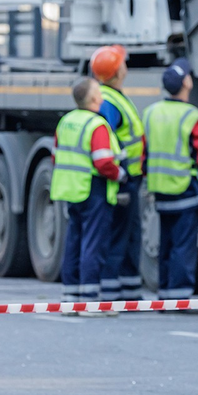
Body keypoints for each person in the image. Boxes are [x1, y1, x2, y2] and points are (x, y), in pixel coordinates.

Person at [142, 58, 198, 300]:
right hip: (186, 191)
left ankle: (165, 293)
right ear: (186, 83)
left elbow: (143, 153)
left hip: (160, 191)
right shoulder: (191, 116)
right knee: (184, 245)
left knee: (167, 243)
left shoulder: (151, 113)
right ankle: (179, 297)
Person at [51, 77, 126, 313]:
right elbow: (103, 162)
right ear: (93, 99)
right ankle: (90, 300)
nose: (102, 98)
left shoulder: (65, 122)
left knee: (73, 241)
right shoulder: (97, 125)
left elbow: (56, 155)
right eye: (99, 95)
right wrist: (120, 174)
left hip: (70, 189)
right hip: (93, 189)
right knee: (93, 244)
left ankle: (70, 297)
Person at [91, 44, 147, 301]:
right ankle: (112, 294)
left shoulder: (112, 96)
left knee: (130, 235)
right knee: (118, 236)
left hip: (129, 178)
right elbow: (107, 141)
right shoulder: (109, 102)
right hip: (120, 180)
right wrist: (121, 173)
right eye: (122, 63)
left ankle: (130, 292)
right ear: (117, 72)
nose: (126, 65)